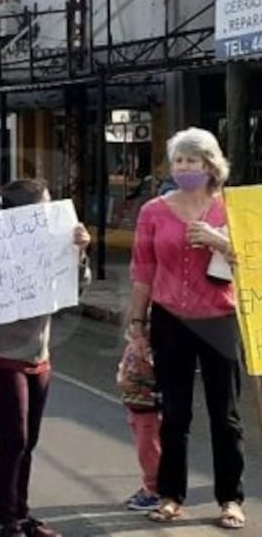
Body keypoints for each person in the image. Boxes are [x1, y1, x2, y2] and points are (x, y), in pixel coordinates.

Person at [0, 179, 91, 537]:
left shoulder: (55, 240)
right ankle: (6, 521)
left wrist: (80, 252)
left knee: (28, 441)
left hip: (38, 356)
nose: (47, 215)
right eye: (41, 208)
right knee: (13, 438)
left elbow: (77, 287)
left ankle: (22, 514)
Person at [129, 127, 245, 529]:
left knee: (224, 414)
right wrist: (136, 324)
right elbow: (142, 270)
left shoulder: (231, 209)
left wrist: (221, 241)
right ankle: (169, 495)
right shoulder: (154, 211)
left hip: (219, 318)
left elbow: (255, 260)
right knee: (174, 413)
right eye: (178, 161)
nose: (184, 168)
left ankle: (230, 498)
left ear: (210, 165)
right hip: (170, 320)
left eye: (192, 161)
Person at [116, 318, 161, 512]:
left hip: (149, 406)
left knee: (148, 449)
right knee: (144, 446)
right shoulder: (136, 343)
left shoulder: (155, 350)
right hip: (135, 403)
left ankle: (155, 490)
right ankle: (149, 486)